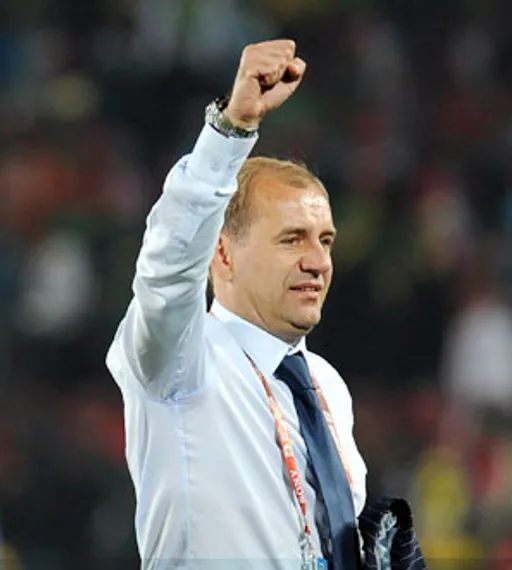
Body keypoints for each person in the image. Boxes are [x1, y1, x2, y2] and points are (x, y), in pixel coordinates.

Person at [106, 40, 368, 569]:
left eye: (325, 241)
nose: (318, 261)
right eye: (292, 239)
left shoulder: (327, 387)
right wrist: (233, 128)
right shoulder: (182, 362)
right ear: (222, 253)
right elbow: (167, 265)